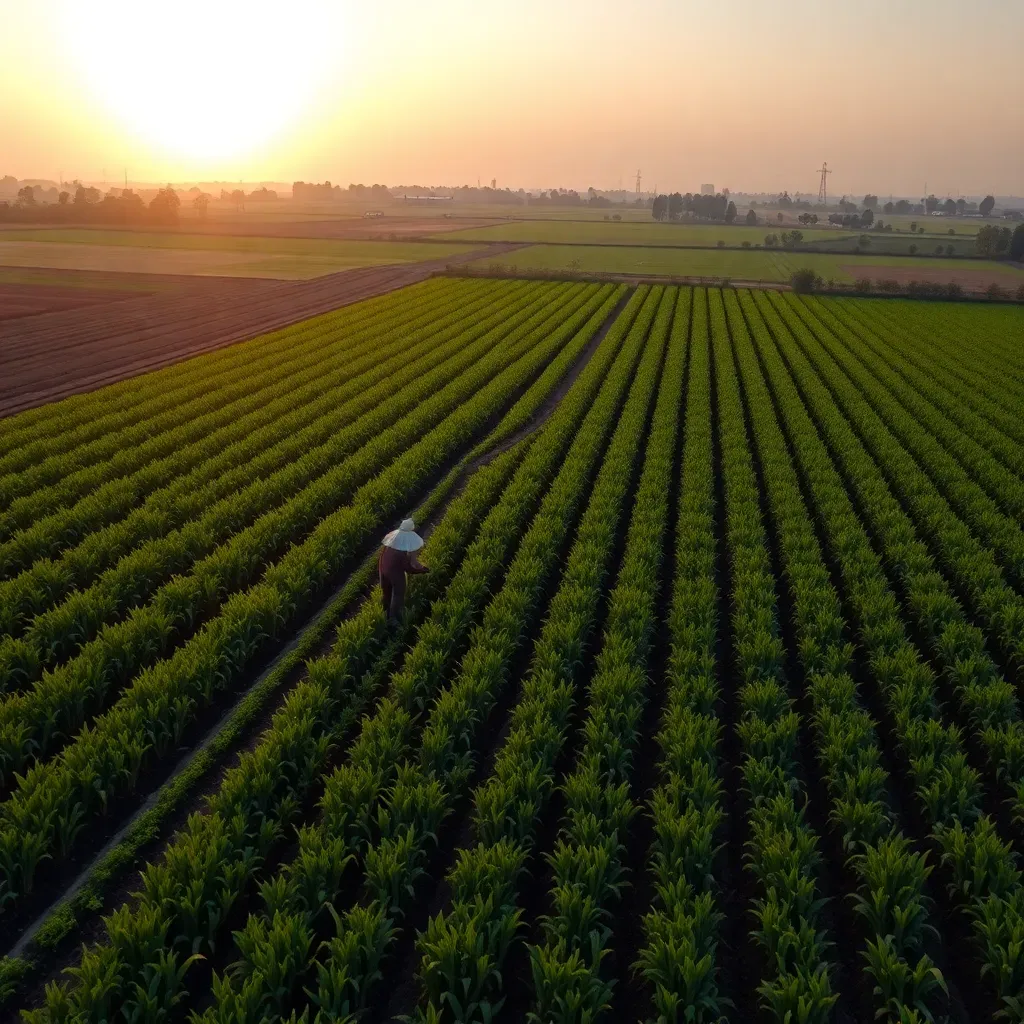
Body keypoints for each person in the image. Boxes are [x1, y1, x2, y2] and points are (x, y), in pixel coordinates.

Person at [378, 517, 429, 621]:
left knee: (387, 591)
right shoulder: (402, 552)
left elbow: (412, 562)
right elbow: (409, 567)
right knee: (398, 593)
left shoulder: (391, 542)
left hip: (383, 567)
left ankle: (384, 614)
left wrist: (419, 567)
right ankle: (393, 619)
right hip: (395, 572)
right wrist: (421, 570)